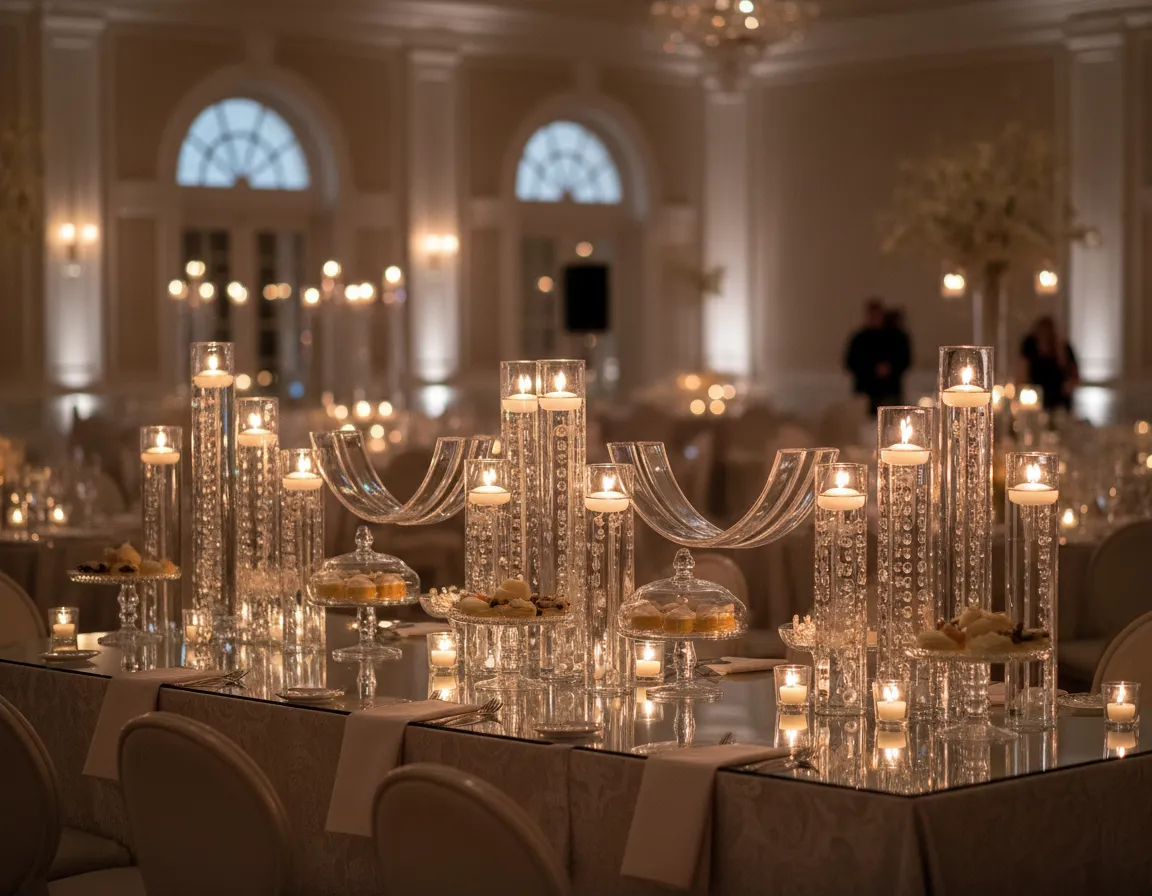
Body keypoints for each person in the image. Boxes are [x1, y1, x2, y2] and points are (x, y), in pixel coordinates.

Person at [844, 298, 907, 413]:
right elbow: (850, 362)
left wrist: (889, 369)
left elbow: (905, 360)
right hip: (865, 391)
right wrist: (871, 370)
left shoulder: (896, 337)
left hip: (890, 390)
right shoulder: (859, 338)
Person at [1019, 316, 1079, 411]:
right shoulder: (1030, 347)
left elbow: (1073, 375)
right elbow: (1022, 372)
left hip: (1059, 399)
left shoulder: (1062, 348)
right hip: (1035, 398)